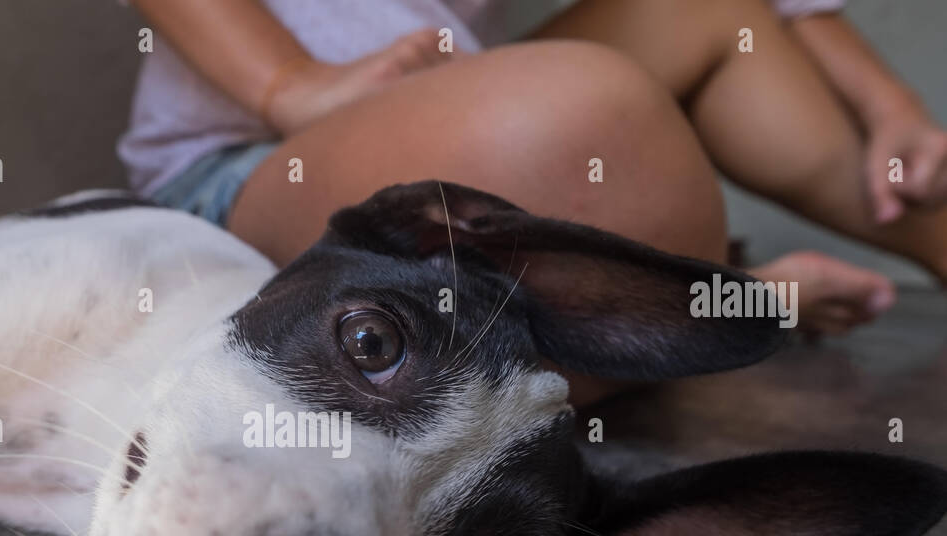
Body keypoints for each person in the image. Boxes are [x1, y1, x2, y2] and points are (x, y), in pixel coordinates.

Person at [118, 0, 947, 351]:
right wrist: (288, 86)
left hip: (446, 116)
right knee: (579, 104)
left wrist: (891, 103)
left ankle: (927, 238)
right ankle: (715, 301)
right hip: (243, 173)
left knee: (706, 14)